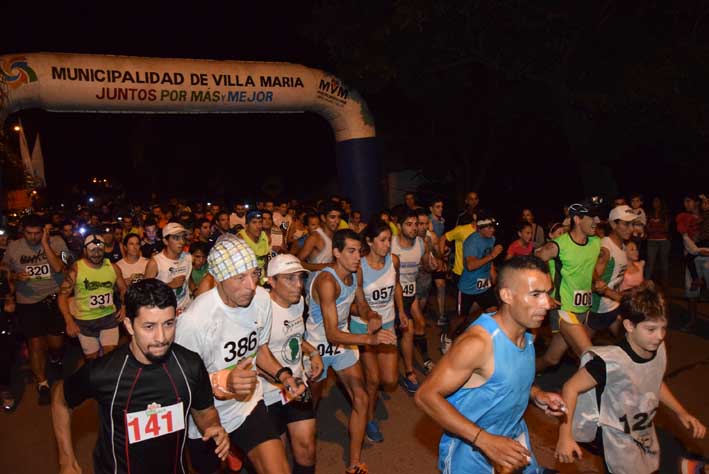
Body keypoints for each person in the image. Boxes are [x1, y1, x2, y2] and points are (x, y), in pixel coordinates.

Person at [50, 279, 229, 474]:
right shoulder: (104, 373)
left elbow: (204, 411)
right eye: (149, 327)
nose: (161, 337)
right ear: (129, 325)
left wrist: (213, 426)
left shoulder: (190, 365)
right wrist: (66, 459)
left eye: (168, 324)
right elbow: (60, 397)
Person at [415, 256, 566, 473]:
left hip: (512, 441)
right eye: (535, 295)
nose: (546, 303)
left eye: (547, 293)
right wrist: (484, 440)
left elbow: (505, 377)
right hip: (470, 456)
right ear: (507, 295)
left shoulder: (528, 331)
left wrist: (536, 394)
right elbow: (426, 396)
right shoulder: (477, 343)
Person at [176, 238, 305, 474]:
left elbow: (261, 350)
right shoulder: (193, 322)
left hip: (247, 406)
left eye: (254, 274)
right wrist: (223, 382)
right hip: (205, 417)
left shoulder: (262, 301)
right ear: (218, 278)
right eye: (240, 278)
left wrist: (284, 376)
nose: (251, 285)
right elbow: (183, 384)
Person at [555, 282, 706, 473]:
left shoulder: (656, 348)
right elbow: (570, 388)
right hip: (615, 438)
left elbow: (654, 381)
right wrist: (565, 435)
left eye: (663, 328)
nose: (659, 336)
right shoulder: (609, 362)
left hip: (640, 429)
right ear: (629, 325)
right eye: (651, 329)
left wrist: (680, 412)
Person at [306, 229, 397, 474]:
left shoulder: (355, 273)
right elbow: (332, 333)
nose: (357, 257)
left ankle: (354, 463)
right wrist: (371, 338)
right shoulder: (327, 281)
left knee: (361, 398)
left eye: (359, 251)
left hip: (343, 347)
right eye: (351, 251)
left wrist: (370, 315)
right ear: (336, 252)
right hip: (317, 348)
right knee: (309, 405)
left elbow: (360, 304)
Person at [262, 254, 323, 474]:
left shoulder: (299, 302)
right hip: (266, 394)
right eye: (290, 279)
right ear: (271, 281)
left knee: (307, 447)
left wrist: (313, 352)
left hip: (296, 387)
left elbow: (295, 336)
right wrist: (283, 380)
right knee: (277, 459)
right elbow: (255, 356)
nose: (298, 285)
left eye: (300, 278)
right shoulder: (261, 310)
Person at [349, 220, 408, 443]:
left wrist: (401, 312)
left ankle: (364, 390)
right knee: (373, 379)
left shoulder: (394, 261)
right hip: (363, 326)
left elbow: (397, 287)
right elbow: (355, 302)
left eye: (389, 240)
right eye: (383, 240)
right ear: (370, 242)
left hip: (388, 323)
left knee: (390, 379)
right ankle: (369, 418)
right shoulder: (359, 267)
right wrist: (369, 316)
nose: (387, 245)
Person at [2, 214, 68, 404]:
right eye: (29, 233)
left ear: (44, 230)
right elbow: (5, 270)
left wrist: (46, 243)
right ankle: (42, 383)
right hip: (27, 302)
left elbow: (58, 268)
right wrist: (14, 276)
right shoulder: (14, 247)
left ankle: (55, 358)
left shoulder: (56, 242)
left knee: (56, 343)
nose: (33, 237)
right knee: (36, 344)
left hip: (53, 298)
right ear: (23, 231)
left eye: (37, 233)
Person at [535, 202, 602, 372]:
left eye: (597, 217)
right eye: (591, 217)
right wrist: (544, 294)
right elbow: (532, 263)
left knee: (552, 359)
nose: (596, 221)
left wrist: (596, 280)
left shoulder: (596, 242)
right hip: (563, 309)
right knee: (588, 355)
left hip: (584, 309)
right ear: (577, 219)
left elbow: (587, 265)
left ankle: (523, 374)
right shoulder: (557, 245)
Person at [58, 234, 128, 360]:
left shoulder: (113, 267)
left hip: (108, 318)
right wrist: (69, 321)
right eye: (92, 250)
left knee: (110, 357)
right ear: (85, 250)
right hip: (85, 321)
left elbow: (123, 289)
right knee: (92, 360)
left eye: (100, 250)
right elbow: (62, 296)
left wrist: (123, 307)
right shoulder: (76, 269)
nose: (96, 254)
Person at [442, 215, 503, 354]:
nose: (492, 230)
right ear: (481, 228)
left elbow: (488, 258)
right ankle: (447, 336)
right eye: (489, 227)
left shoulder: (491, 239)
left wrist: (492, 270)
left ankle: (490, 347)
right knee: (461, 318)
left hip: (484, 285)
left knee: (494, 312)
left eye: (494, 227)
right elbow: (470, 265)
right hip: (468, 288)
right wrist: (493, 255)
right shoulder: (471, 241)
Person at [392, 208, 436, 390]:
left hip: (411, 292)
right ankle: (406, 370)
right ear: (399, 226)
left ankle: (414, 364)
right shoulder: (391, 244)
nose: (413, 228)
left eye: (415, 224)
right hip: (393, 294)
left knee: (417, 325)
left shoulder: (422, 243)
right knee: (404, 330)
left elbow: (425, 264)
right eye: (408, 225)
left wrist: (431, 264)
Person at [588, 205, 637, 336]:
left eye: (632, 224)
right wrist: (623, 299)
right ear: (613, 224)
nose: (631, 229)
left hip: (613, 306)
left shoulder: (622, 246)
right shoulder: (606, 249)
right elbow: (592, 284)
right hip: (598, 309)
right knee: (582, 349)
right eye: (626, 224)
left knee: (626, 341)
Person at [145, 223, 193, 314]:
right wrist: (169, 285)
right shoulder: (155, 262)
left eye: (183, 237)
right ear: (165, 241)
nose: (181, 242)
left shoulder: (188, 257)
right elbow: (146, 292)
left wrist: (195, 290)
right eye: (176, 238)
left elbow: (189, 279)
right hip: (164, 313)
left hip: (185, 311)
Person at [298, 202, 340, 290]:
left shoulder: (338, 236)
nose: (337, 221)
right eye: (332, 217)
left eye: (338, 217)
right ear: (323, 218)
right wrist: (321, 266)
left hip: (332, 283)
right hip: (315, 286)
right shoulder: (315, 237)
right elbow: (297, 263)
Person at [428, 198, 448, 329]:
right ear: (431, 208)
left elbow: (441, 240)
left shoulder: (441, 221)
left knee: (441, 285)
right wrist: (439, 258)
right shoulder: (429, 222)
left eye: (441, 207)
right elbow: (431, 243)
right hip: (428, 258)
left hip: (438, 258)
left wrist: (443, 257)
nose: (440, 209)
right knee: (424, 291)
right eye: (437, 206)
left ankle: (441, 316)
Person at [238, 210, 271, 284]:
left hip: (262, 280)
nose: (258, 226)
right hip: (246, 282)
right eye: (254, 222)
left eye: (260, 222)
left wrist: (266, 279)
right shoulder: (240, 239)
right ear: (246, 225)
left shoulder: (264, 236)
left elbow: (265, 260)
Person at [644, 197, 670, 286]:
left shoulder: (665, 213)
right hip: (651, 241)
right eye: (654, 201)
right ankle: (646, 283)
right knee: (650, 262)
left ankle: (665, 283)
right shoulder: (650, 213)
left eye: (657, 201)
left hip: (663, 241)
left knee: (664, 262)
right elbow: (647, 227)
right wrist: (657, 228)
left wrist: (653, 228)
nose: (655, 203)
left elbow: (666, 228)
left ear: (661, 202)